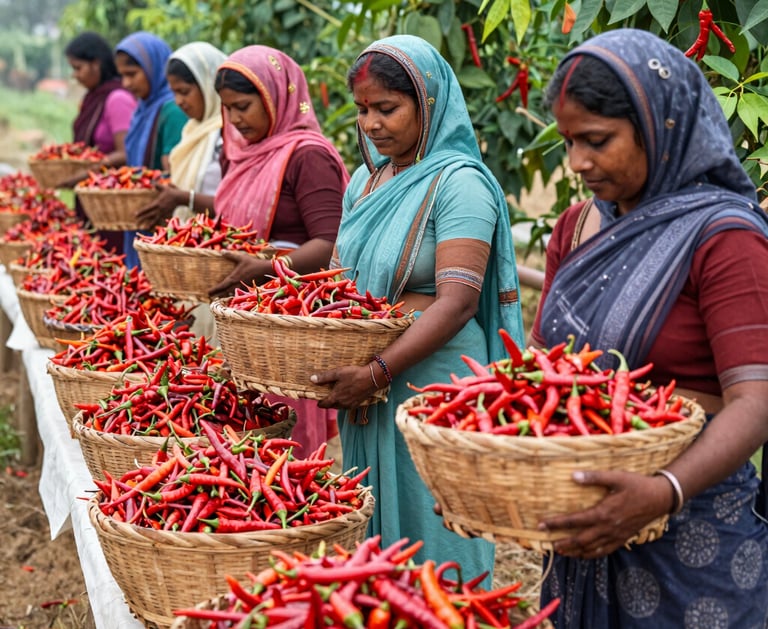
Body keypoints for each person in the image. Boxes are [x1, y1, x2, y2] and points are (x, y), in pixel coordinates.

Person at [531, 28, 768, 628]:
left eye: (597, 141)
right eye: (570, 143)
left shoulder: (726, 237)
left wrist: (662, 489)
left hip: (693, 525)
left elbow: (756, 401)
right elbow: (539, 372)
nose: (578, 163)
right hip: (581, 519)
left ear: (658, 125)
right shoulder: (578, 227)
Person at [310, 35, 526, 580]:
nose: (372, 124)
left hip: (433, 381)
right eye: (362, 111)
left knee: (437, 529)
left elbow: (455, 304)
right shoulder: (364, 180)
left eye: (388, 108)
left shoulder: (461, 185)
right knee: (377, 531)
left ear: (428, 104)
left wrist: (378, 370)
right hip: (370, 377)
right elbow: (339, 279)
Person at [209, 45, 350, 458]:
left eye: (244, 106)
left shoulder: (308, 156)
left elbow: (332, 244)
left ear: (277, 96)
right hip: (250, 310)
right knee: (243, 427)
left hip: (288, 315)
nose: (235, 119)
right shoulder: (243, 152)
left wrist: (271, 267)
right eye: (228, 109)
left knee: (282, 440)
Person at [114, 31, 187, 268]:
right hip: (139, 214)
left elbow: (176, 173)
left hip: (162, 220)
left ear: (154, 67)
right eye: (122, 76)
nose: (126, 84)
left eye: (132, 74)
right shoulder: (142, 109)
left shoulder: (173, 110)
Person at [136, 41, 227, 227]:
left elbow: (238, 205)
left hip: (223, 241)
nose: (178, 101)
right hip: (190, 243)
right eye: (174, 93)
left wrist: (184, 199)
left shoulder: (228, 134)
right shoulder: (191, 131)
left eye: (184, 92)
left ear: (208, 85)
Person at [63, 31, 137, 253]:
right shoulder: (91, 98)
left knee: (110, 257)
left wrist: (85, 173)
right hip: (94, 199)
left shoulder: (117, 98)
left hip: (111, 203)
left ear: (96, 64)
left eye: (78, 68)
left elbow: (125, 153)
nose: (75, 75)